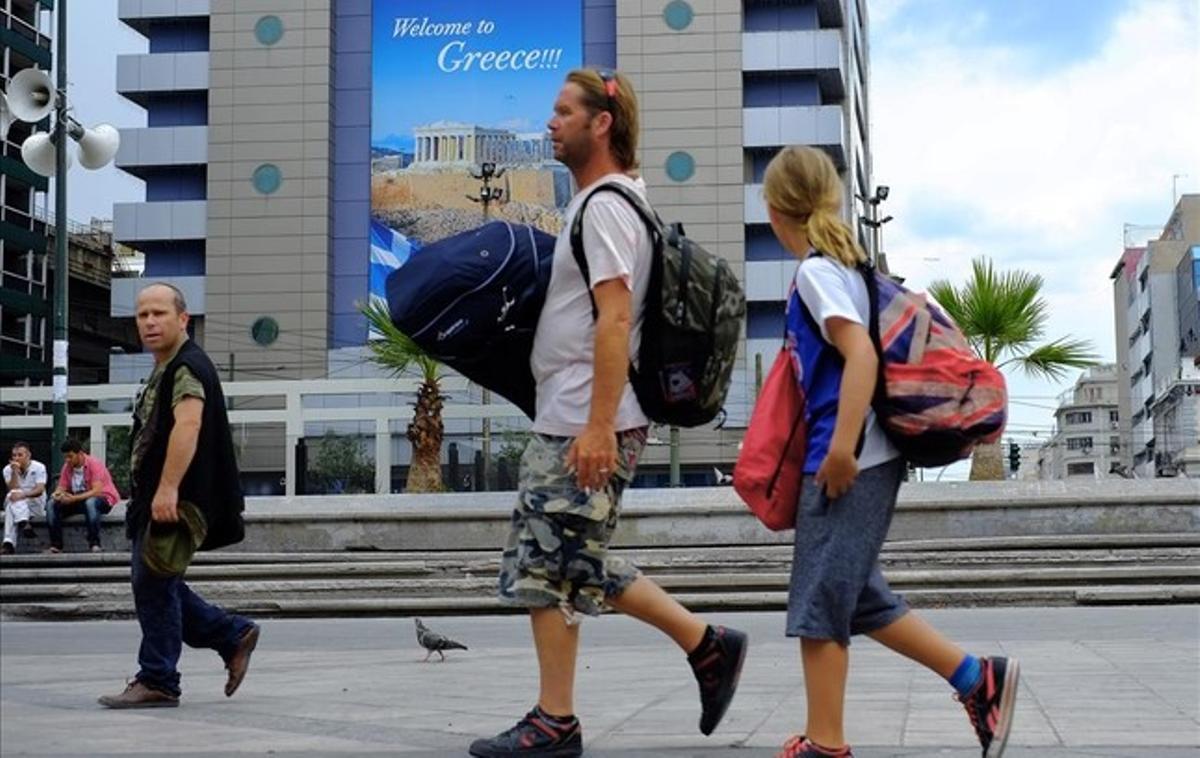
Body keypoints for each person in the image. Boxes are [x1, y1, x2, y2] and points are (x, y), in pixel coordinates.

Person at [468, 69, 747, 758]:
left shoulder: (608, 209)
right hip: (574, 412)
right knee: (560, 557)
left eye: (563, 112)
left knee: (550, 562)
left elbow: (615, 318)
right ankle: (700, 647)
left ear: (601, 123)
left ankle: (560, 719)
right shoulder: (603, 205)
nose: (549, 124)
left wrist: (597, 425)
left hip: (590, 418)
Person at [762, 146, 1020, 758]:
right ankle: (977, 679)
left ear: (774, 210)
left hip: (849, 458)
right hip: (867, 454)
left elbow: (861, 359)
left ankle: (826, 743)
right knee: (854, 593)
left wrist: (843, 450)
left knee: (820, 600)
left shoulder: (819, 273)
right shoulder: (849, 269)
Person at [98, 283, 260, 709]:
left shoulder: (186, 366)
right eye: (142, 315)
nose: (149, 322)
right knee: (157, 583)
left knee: (152, 584)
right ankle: (231, 634)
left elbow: (188, 425)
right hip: (159, 498)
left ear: (182, 319)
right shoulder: (169, 365)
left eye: (159, 314)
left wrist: (168, 488)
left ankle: (159, 678)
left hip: (174, 499)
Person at [46, 438, 120, 553]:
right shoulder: (67, 467)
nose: (67, 460)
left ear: (80, 454)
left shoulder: (94, 464)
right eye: (65, 457)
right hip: (78, 499)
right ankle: (56, 544)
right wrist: (57, 495)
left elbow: (97, 491)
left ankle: (94, 543)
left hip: (102, 498)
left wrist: (73, 498)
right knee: (51, 504)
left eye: (70, 456)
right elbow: (62, 486)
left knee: (90, 502)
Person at [2, 441, 47, 554]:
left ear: (28, 455)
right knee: (12, 497)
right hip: (17, 505)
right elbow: (12, 488)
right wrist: (14, 473)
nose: (16, 458)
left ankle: (8, 543)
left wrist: (23, 495)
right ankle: (23, 522)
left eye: (20, 455)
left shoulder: (39, 467)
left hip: (34, 505)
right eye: (14, 455)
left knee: (11, 506)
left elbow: (40, 490)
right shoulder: (8, 469)